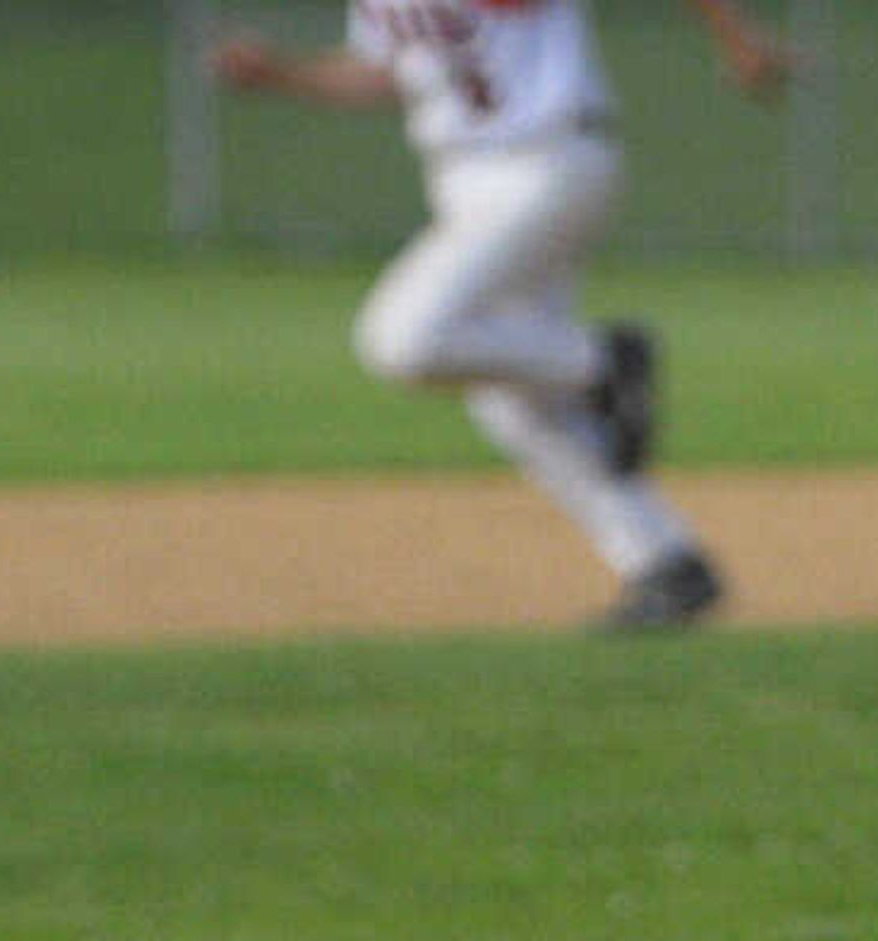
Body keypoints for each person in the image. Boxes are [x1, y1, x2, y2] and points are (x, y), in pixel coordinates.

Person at [206, 0, 789, 633]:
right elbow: (393, 73)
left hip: (542, 160)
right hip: (472, 180)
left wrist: (738, 36)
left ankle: (605, 360)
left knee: (402, 339)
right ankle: (669, 563)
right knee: (511, 399)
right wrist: (283, 75)